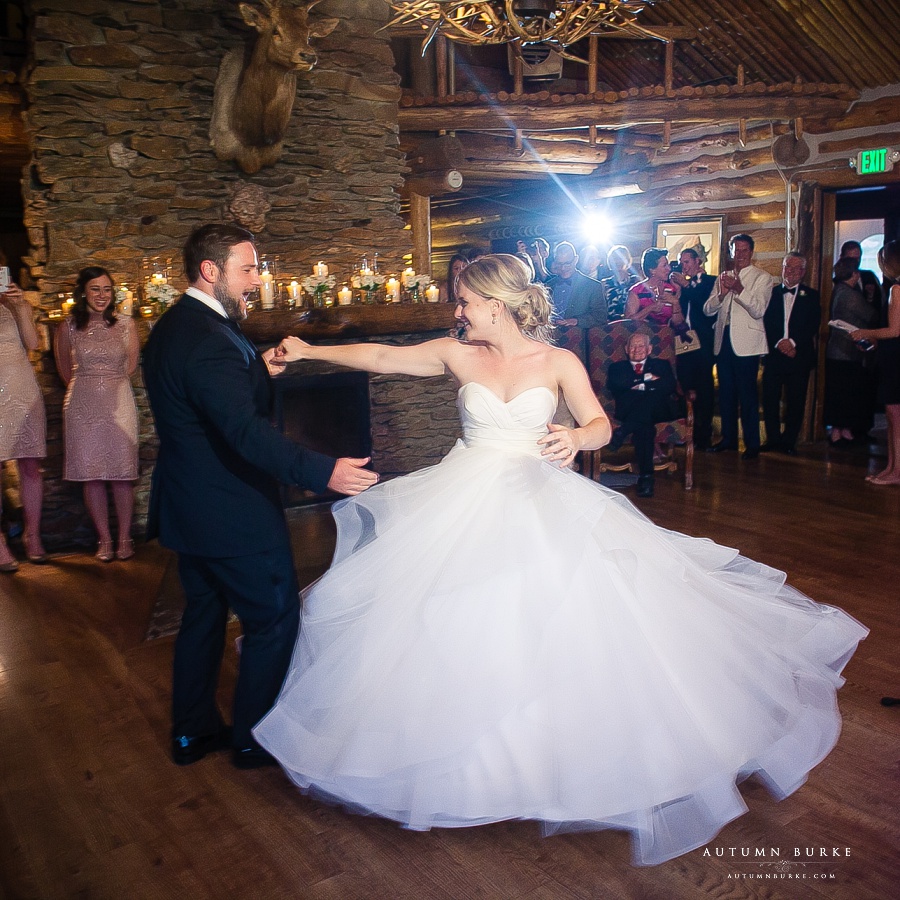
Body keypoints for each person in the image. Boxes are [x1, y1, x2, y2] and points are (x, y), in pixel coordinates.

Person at [253, 253, 867, 867]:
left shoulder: (558, 362)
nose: (458, 310)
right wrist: (308, 351)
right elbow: (383, 357)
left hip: (537, 496)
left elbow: (601, 422)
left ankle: (557, 753)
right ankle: (474, 763)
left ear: (496, 305)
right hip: (460, 496)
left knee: (560, 614)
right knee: (456, 617)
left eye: (465, 301)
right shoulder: (457, 352)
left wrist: (575, 437)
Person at [142, 223, 378, 770]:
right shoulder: (207, 340)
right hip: (231, 511)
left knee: (203, 616)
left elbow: (208, 403)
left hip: (189, 504)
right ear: (211, 270)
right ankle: (254, 739)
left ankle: (191, 732)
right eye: (247, 269)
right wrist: (325, 471)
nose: (256, 279)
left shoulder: (178, 326)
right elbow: (244, 434)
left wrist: (259, 371)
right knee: (273, 619)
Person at [54, 267, 140, 561]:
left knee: (122, 475)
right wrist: (90, 385)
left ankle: (125, 538)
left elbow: (130, 366)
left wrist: (108, 383)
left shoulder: (127, 324)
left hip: (119, 401)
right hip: (82, 404)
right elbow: (65, 370)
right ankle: (104, 539)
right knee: (92, 475)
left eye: (107, 289)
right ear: (83, 293)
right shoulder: (67, 327)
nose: (102, 295)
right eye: (95, 289)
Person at [704, 234, 774, 459]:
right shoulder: (723, 277)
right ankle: (729, 439)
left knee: (748, 395)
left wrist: (739, 289)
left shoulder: (762, 278)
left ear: (751, 253)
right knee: (725, 394)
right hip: (723, 340)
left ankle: (752, 443)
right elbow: (708, 309)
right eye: (737, 251)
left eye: (745, 251)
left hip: (747, 345)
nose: (740, 255)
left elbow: (758, 310)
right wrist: (722, 294)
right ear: (731, 253)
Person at [0, 277, 47, 571]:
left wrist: (20, 307)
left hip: (21, 385)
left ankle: (33, 534)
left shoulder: (19, 303)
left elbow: (33, 344)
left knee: (30, 463)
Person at [760, 253, 821, 456]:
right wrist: (780, 343)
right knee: (770, 400)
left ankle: (789, 441)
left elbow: (812, 324)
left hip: (799, 355)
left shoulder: (812, 296)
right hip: (775, 354)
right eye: (787, 267)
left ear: (803, 272)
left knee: (796, 401)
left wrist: (793, 342)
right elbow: (765, 322)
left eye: (795, 268)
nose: (790, 271)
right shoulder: (771, 293)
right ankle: (773, 439)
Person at [606, 331, 679, 498]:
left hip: (659, 411)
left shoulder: (662, 365)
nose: (637, 349)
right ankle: (646, 478)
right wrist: (649, 382)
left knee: (648, 402)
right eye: (633, 346)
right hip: (629, 412)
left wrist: (636, 385)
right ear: (626, 348)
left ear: (649, 349)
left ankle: (623, 431)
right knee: (645, 427)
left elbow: (669, 386)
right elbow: (617, 385)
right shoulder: (617, 368)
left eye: (641, 346)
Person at [850, 240, 900, 485]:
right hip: (894, 354)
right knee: (893, 416)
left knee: (894, 416)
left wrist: (865, 333)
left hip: (895, 359)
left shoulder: (897, 289)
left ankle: (895, 470)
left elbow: (894, 330)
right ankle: (891, 466)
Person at [824, 258, 879, 446]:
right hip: (846, 351)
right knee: (845, 392)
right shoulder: (851, 294)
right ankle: (840, 432)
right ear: (853, 274)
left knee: (840, 392)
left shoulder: (839, 290)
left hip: (838, 350)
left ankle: (842, 431)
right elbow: (870, 315)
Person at [670, 248, 717, 450]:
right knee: (683, 385)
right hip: (682, 340)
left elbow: (707, 307)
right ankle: (684, 434)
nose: (684, 266)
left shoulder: (711, 282)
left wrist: (687, 285)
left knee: (704, 389)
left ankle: (703, 436)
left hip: (704, 342)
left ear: (699, 261)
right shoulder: (679, 285)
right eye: (682, 262)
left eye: (687, 261)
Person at [547, 241, 608, 328]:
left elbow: (600, 316)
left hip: (577, 338)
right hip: (548, 338)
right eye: (559, 263)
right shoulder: (547, 286)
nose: (563, 268)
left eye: (567, 263)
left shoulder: (593, 286)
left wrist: (577, 321)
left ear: (575, 260)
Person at [624, 248, 686, 328]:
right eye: (664, 266)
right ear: (652, 270)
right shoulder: (637, 291)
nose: (669, 269)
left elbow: (679, 323)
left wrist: (676, 303)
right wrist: (650, 308)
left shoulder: (672, 288)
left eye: (668, 265)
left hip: (669, 336)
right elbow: (627, 322)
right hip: (643, 335)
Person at [601, 244, 640, 321]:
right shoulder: (604, 283)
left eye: (621, 258)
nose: (618, 261)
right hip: (610, 324)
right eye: (615, 259)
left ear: (627, 260)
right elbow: (601, 308)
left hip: (632, 322)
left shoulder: (636, 281)